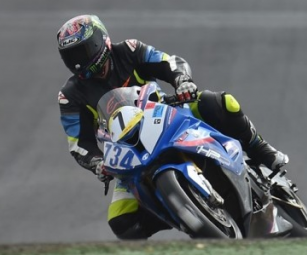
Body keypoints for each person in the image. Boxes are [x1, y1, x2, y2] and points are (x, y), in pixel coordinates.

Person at [56, 14, 288, 240]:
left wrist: (182, 80)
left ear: (101, 41)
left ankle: (261, 149)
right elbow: (79, 144)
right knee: (121, 222)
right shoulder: (69, 96)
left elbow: (169, 62)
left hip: (166, 114)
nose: (79, 61)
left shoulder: (129, 50)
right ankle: (182, 212)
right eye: (71, 56)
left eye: (83, 51)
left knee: (220, 102)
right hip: (127, 150)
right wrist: (97, 163)